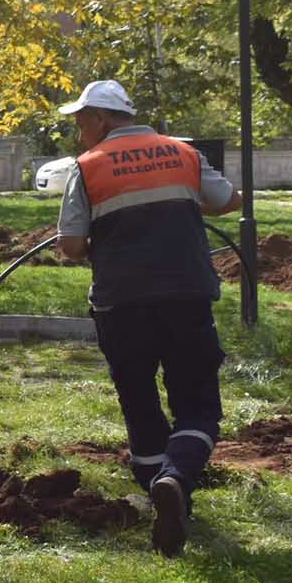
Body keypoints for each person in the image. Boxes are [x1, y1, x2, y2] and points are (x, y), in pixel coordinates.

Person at [55, 79, 241, 557]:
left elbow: (71, 246)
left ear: (101, 117)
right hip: (187, 295)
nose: (80, 134)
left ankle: (158, 486)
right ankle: (176, 479)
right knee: (198, 404)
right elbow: (227, 201)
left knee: (139, 400)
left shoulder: (87, 167)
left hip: (121, 303)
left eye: (81, 123)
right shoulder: (182, 153)